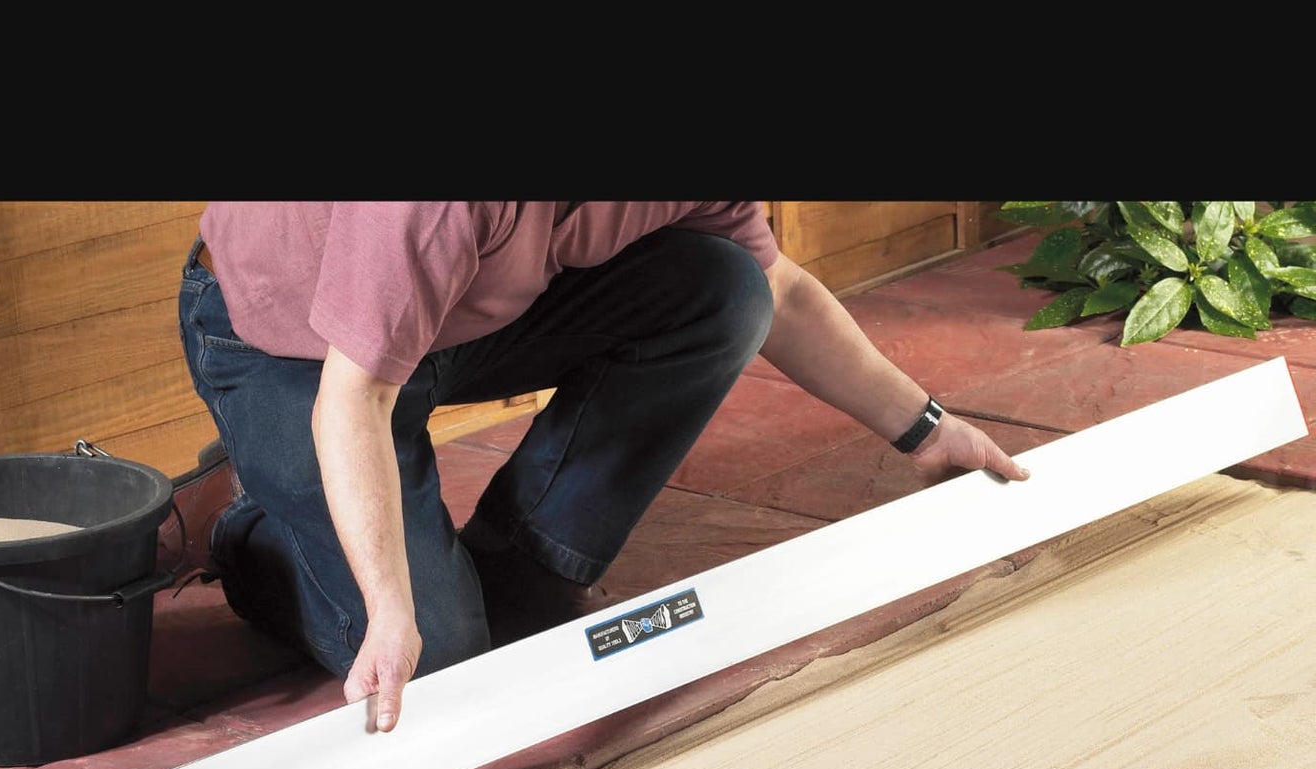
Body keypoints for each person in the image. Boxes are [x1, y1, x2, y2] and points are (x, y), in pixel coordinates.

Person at [170, 202, 1029, 733]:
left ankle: (523, 566)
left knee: (728, 287)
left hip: (464, 312)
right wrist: (391, 615)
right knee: (439, 665)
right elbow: (353, 397)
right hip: (294, 351)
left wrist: (927, 430)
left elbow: (781, 293)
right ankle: (244, 519)